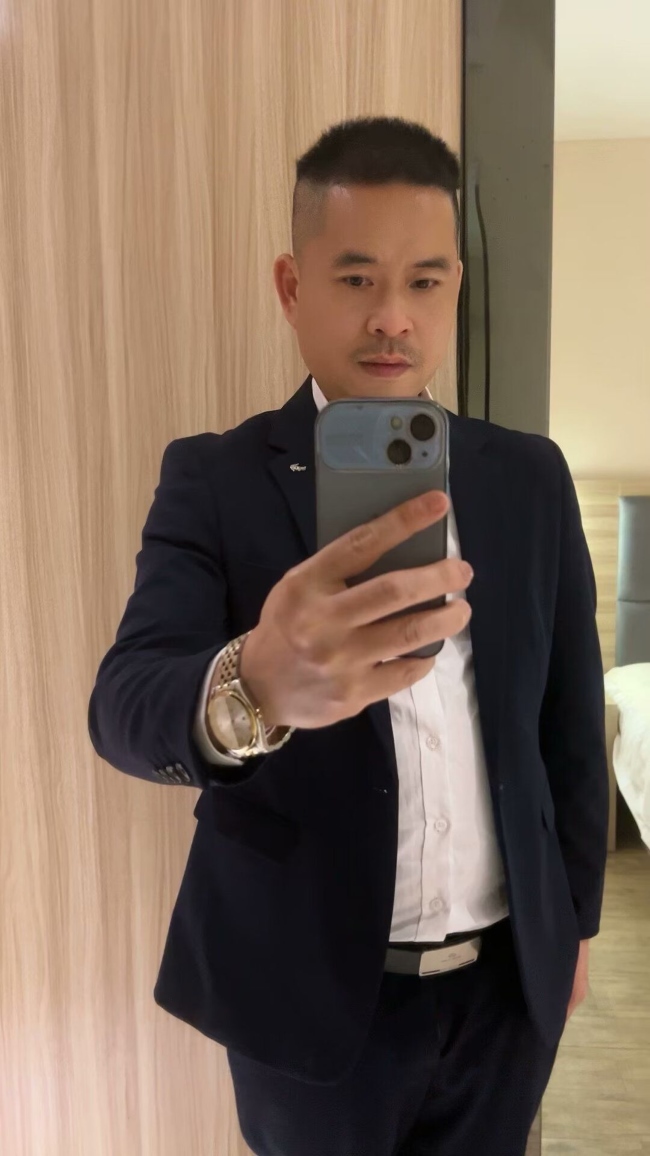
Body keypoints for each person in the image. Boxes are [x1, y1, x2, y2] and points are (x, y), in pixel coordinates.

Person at [88, 116, 609, 1156]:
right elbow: (124, 705)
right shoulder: (216, 477)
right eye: (357, 278)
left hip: (502, 992)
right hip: (306, 999)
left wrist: (576, 924)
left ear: (453, 291)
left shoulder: (526, 476)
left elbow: (567, 720)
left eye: (424, 282)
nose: (391, 318)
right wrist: (253, 686)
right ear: (292, 287)